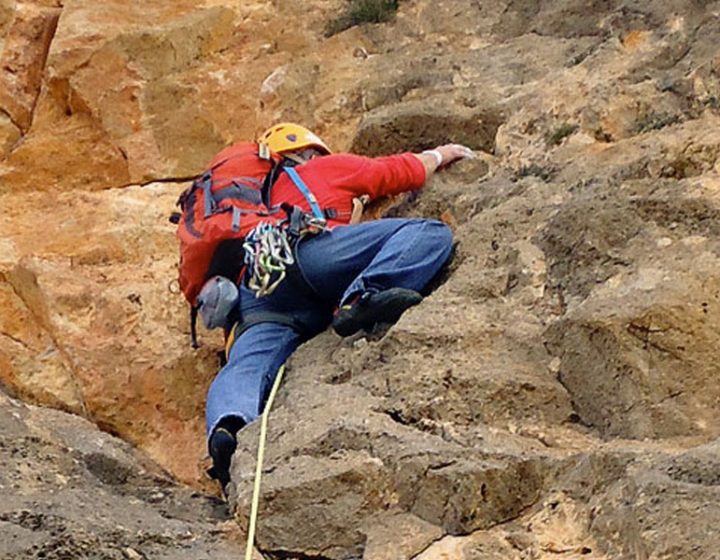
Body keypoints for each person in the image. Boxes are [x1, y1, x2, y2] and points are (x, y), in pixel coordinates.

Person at [204, 123, 474, 494]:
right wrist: (441, 154)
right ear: (308, 153)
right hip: (312, 252)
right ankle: (363, 297)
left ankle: (228, 426)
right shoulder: (318, 169)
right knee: (428, 233)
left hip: (260, 288)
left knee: (247, 365)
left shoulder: (247, 205)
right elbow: (393, 172)